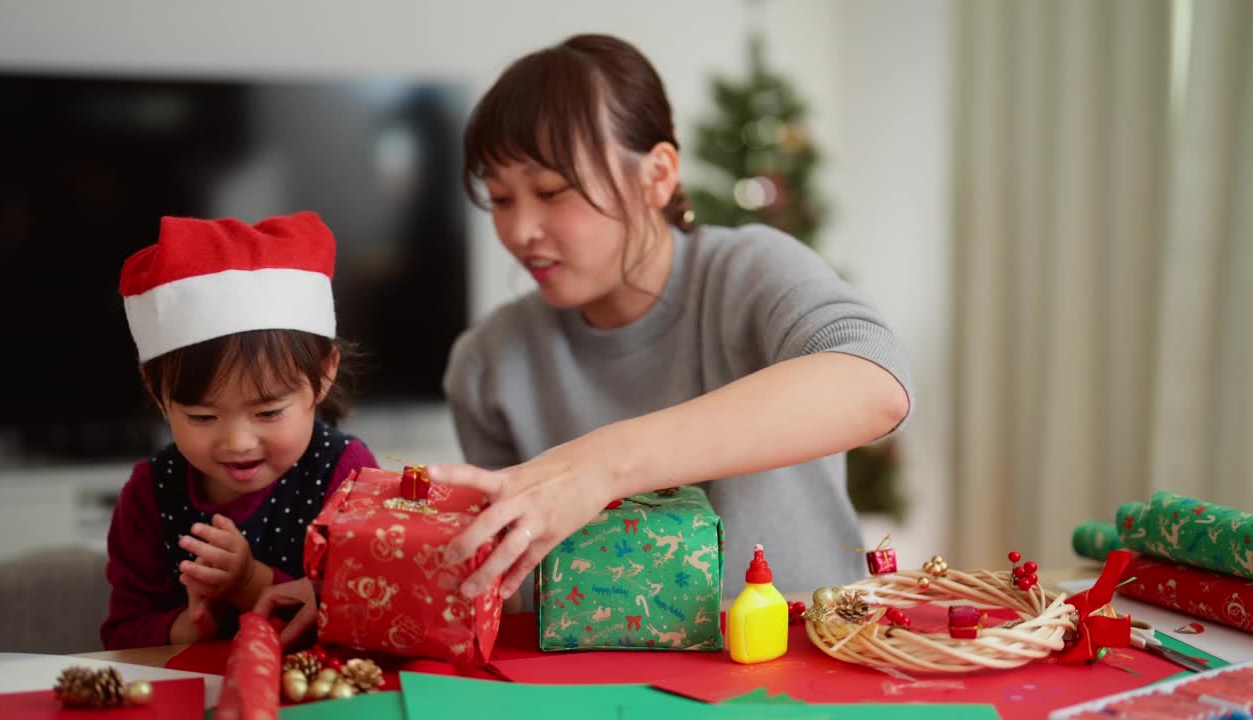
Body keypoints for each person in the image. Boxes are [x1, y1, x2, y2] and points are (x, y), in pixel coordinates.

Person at [428, 34, 914, 608]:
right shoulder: (489, 361)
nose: (520, 231)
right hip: (592, 680)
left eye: (551, 191)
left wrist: (603, 466)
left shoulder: (751, 272)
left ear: (657, 176)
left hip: (804, 654)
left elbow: (875, 386)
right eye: (502, 199)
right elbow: (505, 584)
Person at [100, 211, 377, 650]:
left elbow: (369, 617)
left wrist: (250, 582)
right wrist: (192, 629)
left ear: (324, 374)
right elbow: (123, 636)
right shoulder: (150, 494)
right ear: (156, 392)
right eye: (203, 418)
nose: (237, 443)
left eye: (268, 413)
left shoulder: (348, 475)